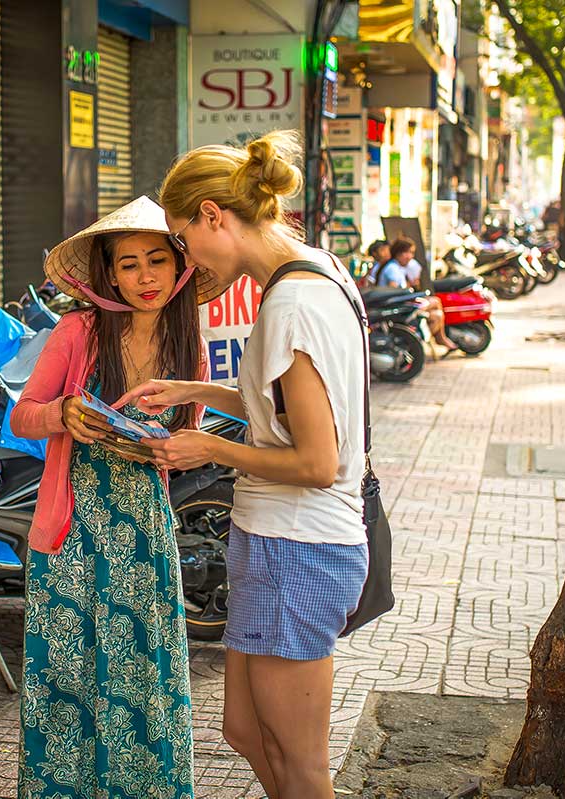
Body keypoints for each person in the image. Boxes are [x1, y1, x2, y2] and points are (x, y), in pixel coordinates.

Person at [118, 131, 368, 799]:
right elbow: (281, 405)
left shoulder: (292, 303)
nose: (185, 260)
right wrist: (192, 392)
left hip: (301, 543)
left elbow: (318, 459)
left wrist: (209, 447)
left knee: (301, 761)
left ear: (211, 216)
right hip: (274, 539)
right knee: (245, 731)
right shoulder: (313, 270)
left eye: (182, 240)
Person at [11, 196, 216, 799]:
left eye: (156, 260)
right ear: (109, 274)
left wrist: (163, 447)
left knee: (140, 675)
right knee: (65, 675)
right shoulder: (76, 331)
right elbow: (21, 417)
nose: (144, 277)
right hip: (71, 531)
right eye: (128, 265)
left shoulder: (189, 346)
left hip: (142, 534)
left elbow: (187, 438)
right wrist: (63, 412)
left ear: (180, 267)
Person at [389, 237, 456, 352]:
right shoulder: (393, 269)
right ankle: (432, 341)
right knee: (435, 302)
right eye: (407, 252)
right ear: (398, 253)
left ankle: (422, 343)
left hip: (404, 304)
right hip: (399, 308)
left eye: (411, 253)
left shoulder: (399, 268)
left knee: (437, 315)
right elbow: (392, 291)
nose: (410, 256)